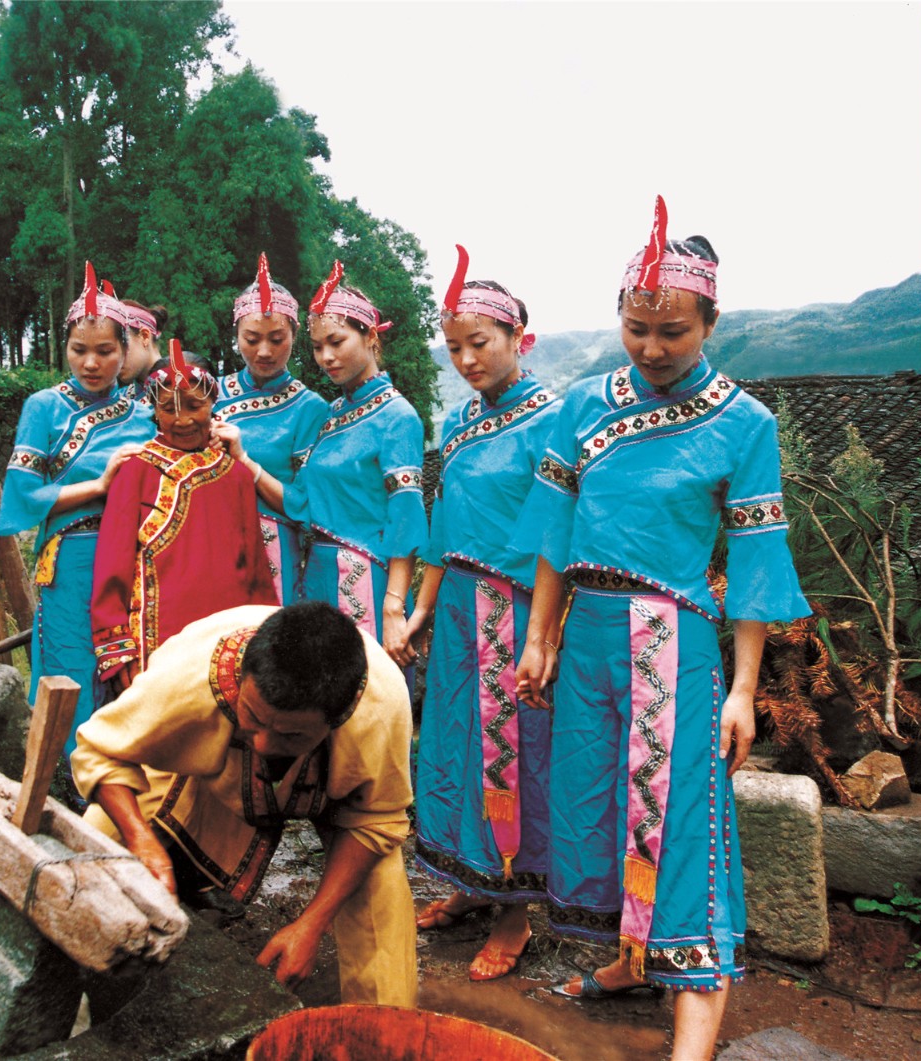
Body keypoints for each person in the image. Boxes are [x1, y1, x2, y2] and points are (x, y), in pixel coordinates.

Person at [512, 198, 810, 1058]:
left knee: (681, 823)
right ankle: (634, 960)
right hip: (592, 636)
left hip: (673, 646)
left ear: (710, 321)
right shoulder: (580, 407)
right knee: (599, 810)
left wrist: (745, 689)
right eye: (636, 327)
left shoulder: (744, 424)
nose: (650, 347)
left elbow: (755, 567)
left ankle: (693, 1028)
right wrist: (540, 636)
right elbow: (554, 538)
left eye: (672, 331)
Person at [73, 601, 418, 1007]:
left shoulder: (380, 709)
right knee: (94, 844)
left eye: (291, 737)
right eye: (253, 715)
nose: (264, 744)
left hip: (334, 793)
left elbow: (376, 820)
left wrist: (311, 924)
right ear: (240, 679)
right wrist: (140, 838)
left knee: (381, 895)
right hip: (207, 770)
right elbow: (102, 751)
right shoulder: (191, 675)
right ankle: (71, 980)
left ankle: (381, 1035)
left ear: (336, 719)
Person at [404, 247, 558, 980]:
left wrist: (545, 632)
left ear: (519, 339)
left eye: (480, 344)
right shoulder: (460, 425)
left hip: (517, 610)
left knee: (510, 752)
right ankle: (468, 884)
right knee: (457, 746)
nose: (466, 359)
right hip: (462, 609)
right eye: (455, 347)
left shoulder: (549, 425)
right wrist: (421, 609)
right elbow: (441, 522)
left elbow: (560, 538)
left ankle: (514, 909)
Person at [221, 261, 429, 660]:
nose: (326, 357)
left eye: (337, 342)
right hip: (315, 574)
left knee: (363, 699)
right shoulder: (332, 414)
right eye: (318, 347)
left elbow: (405, 516)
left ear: (370, 336)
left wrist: (393, 604)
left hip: (364, 576)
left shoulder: (396, 416)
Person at [0, 263, 155, 760]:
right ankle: (67, 770)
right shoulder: (43, 407)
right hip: (69, 557)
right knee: (70, 661)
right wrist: (99, 485)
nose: (91, 362)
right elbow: (23, 493)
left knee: (128, 663)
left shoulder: (146, 413)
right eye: (79, 350)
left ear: (126, 351)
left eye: (105, 351)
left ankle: (123, 769)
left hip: (133, 560)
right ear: (63, 348)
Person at [90, 340, 277, 693]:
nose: (183, 419)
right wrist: (118, 649)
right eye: (168, 408)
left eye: (194, 405)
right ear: (154, 411)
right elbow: (111, 565)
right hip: (156, 643)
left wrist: (265, 634)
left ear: (212, 403)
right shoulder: (136, 472)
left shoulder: (235, 474)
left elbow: (254, 566)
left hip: (228, 639)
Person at [211, 254, 328, 602]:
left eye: (277, 338)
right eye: (251, 339)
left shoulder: (310, 408)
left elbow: (304, 504)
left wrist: (246, 464)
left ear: (294, 334)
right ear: (236, 336)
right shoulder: (209, 394)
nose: (264, 351)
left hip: (276, 550)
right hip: (211, 540)